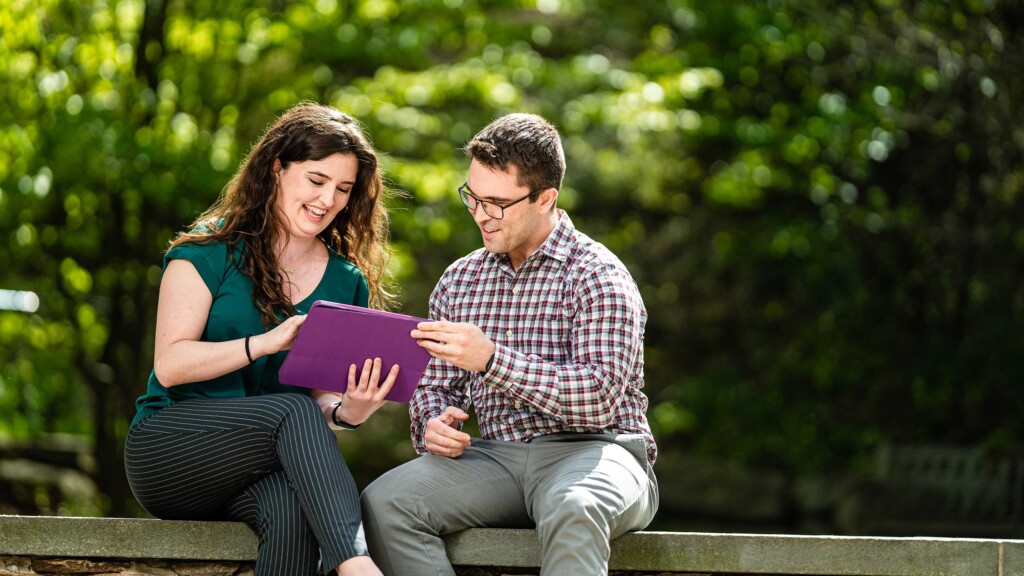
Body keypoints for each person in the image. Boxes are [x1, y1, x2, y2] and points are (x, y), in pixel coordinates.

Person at [361, 113, 659, 576]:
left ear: (546, 199)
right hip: (495, 459)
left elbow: (600, 398)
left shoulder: (598, 275)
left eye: (497, 203)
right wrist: (432, 423)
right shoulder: (461, 279)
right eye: (473, 198)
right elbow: (435, 387)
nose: (481, 214)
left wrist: (493, 360)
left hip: (598, 453)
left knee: (575, 505)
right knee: (385, 502)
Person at [124, 102, 397, 576]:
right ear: (276, 169)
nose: (328, 199)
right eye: (316, 180)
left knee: (292, 510)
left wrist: (349, 411)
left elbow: (317, 401)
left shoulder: (346, 280)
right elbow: (170, 364)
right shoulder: (204, 252)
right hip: (170, 449)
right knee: (285, 411)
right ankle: (355, 564)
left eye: (343, 189)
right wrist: (265, 343)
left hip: (257, 468)